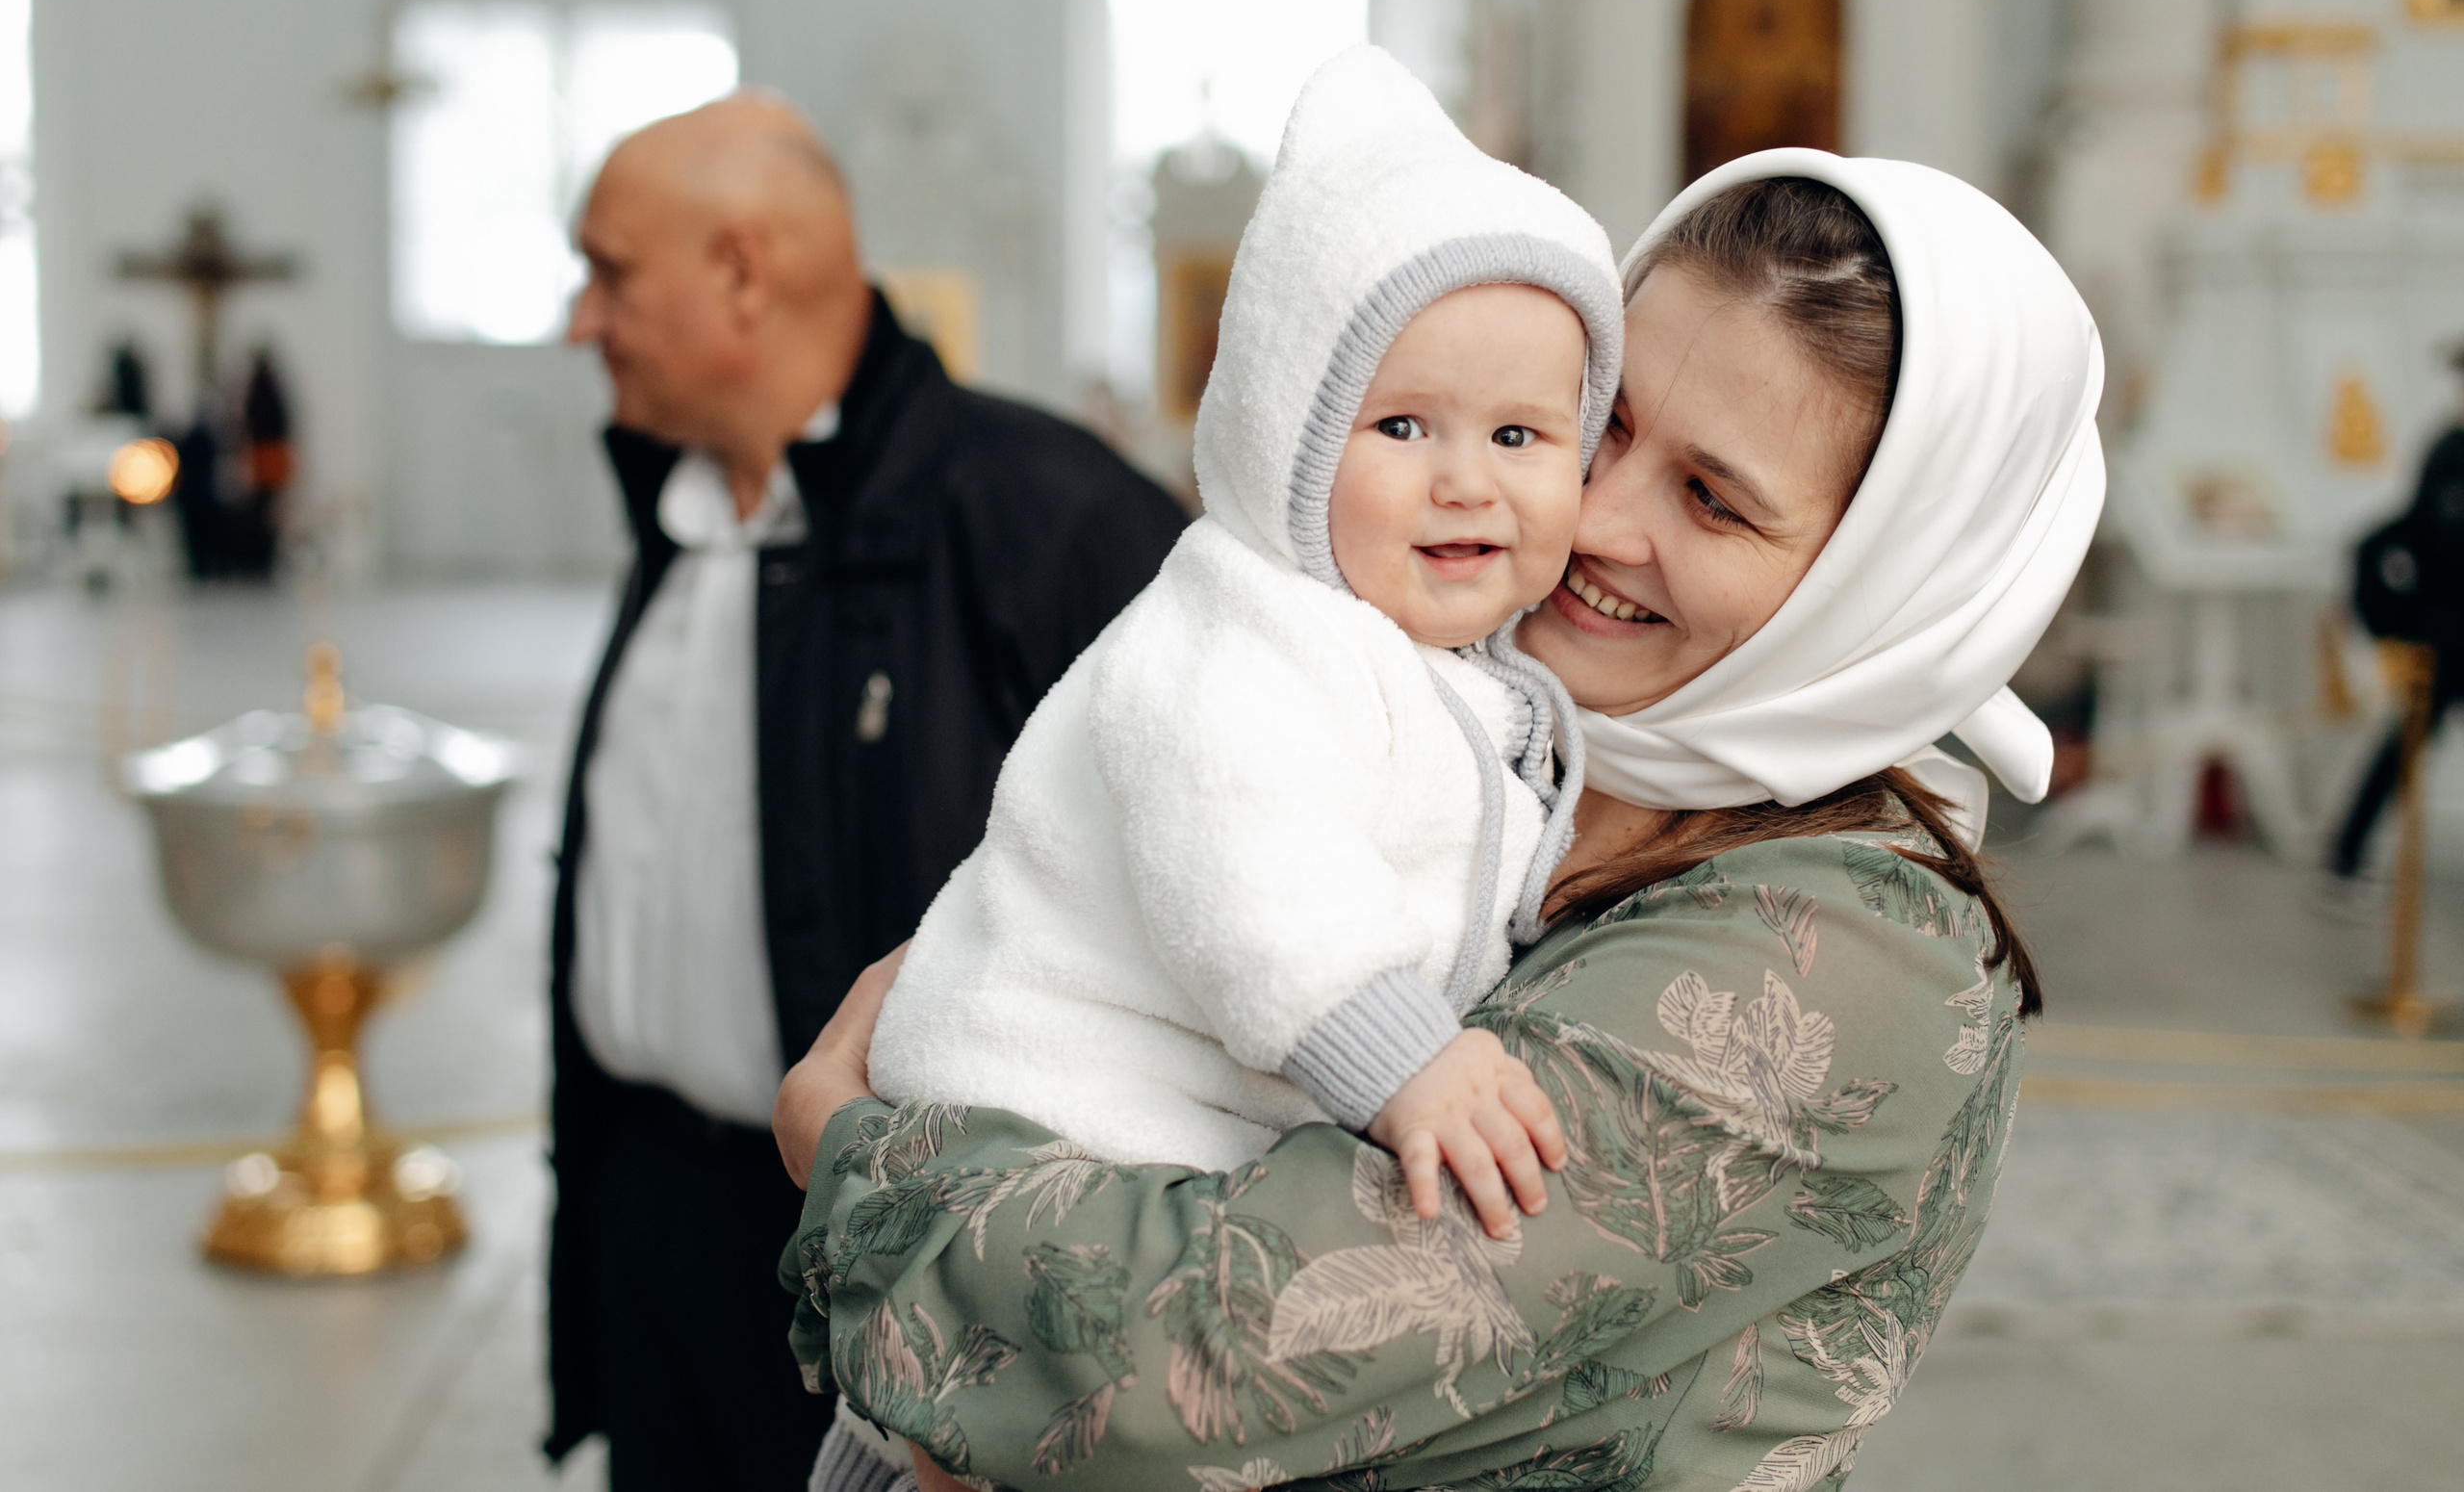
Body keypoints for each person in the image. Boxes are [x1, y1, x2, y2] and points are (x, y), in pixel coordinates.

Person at [777, 152, 2102, 1492]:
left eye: (1713, 498)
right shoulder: (1463, 701)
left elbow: (1206, 1357)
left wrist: (851, 1153)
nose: (1594, 516)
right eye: (1603, 425)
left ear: (1889, 587)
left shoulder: (1838, 947)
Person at [828, 47, 1621, 1483]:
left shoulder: (1457, 671)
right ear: (1283, 433)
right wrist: (1406, 1059)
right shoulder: (1240, 629)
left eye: (1520, 434)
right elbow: (1243, 860)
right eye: (1401, 427)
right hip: (1048, 1112)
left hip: (1169, 1159)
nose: (1466, 478)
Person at [543, 91, 1187, 1489]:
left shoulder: (1049, 515)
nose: (580, 319)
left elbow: (1211, 867)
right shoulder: (685, 501)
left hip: (871, 1240)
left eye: (609, 272)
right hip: (650, 1207)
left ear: (740, 271)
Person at [2330, 345, 2464, 881]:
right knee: (2402, 745)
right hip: (2443, 639)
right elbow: (2406, 536)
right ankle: (2345, 856)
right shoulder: (2447, 454)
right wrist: (2391, 622)